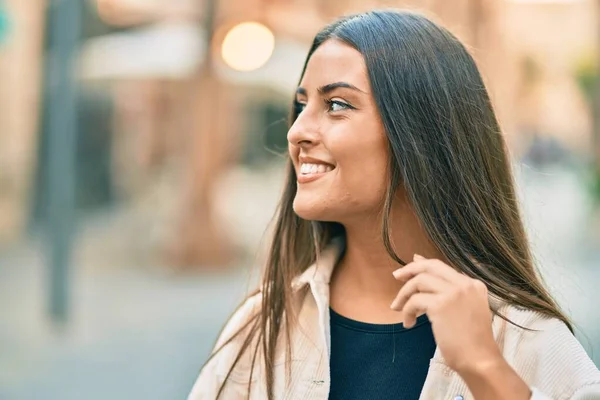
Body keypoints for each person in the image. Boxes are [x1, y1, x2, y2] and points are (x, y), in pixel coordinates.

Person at [188, 9, 600, 400]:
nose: (296, 131)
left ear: (421, 136)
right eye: (301, 105)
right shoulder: (263, 323)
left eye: (336, 105)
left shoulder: (526, 338)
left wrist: (485, 369)